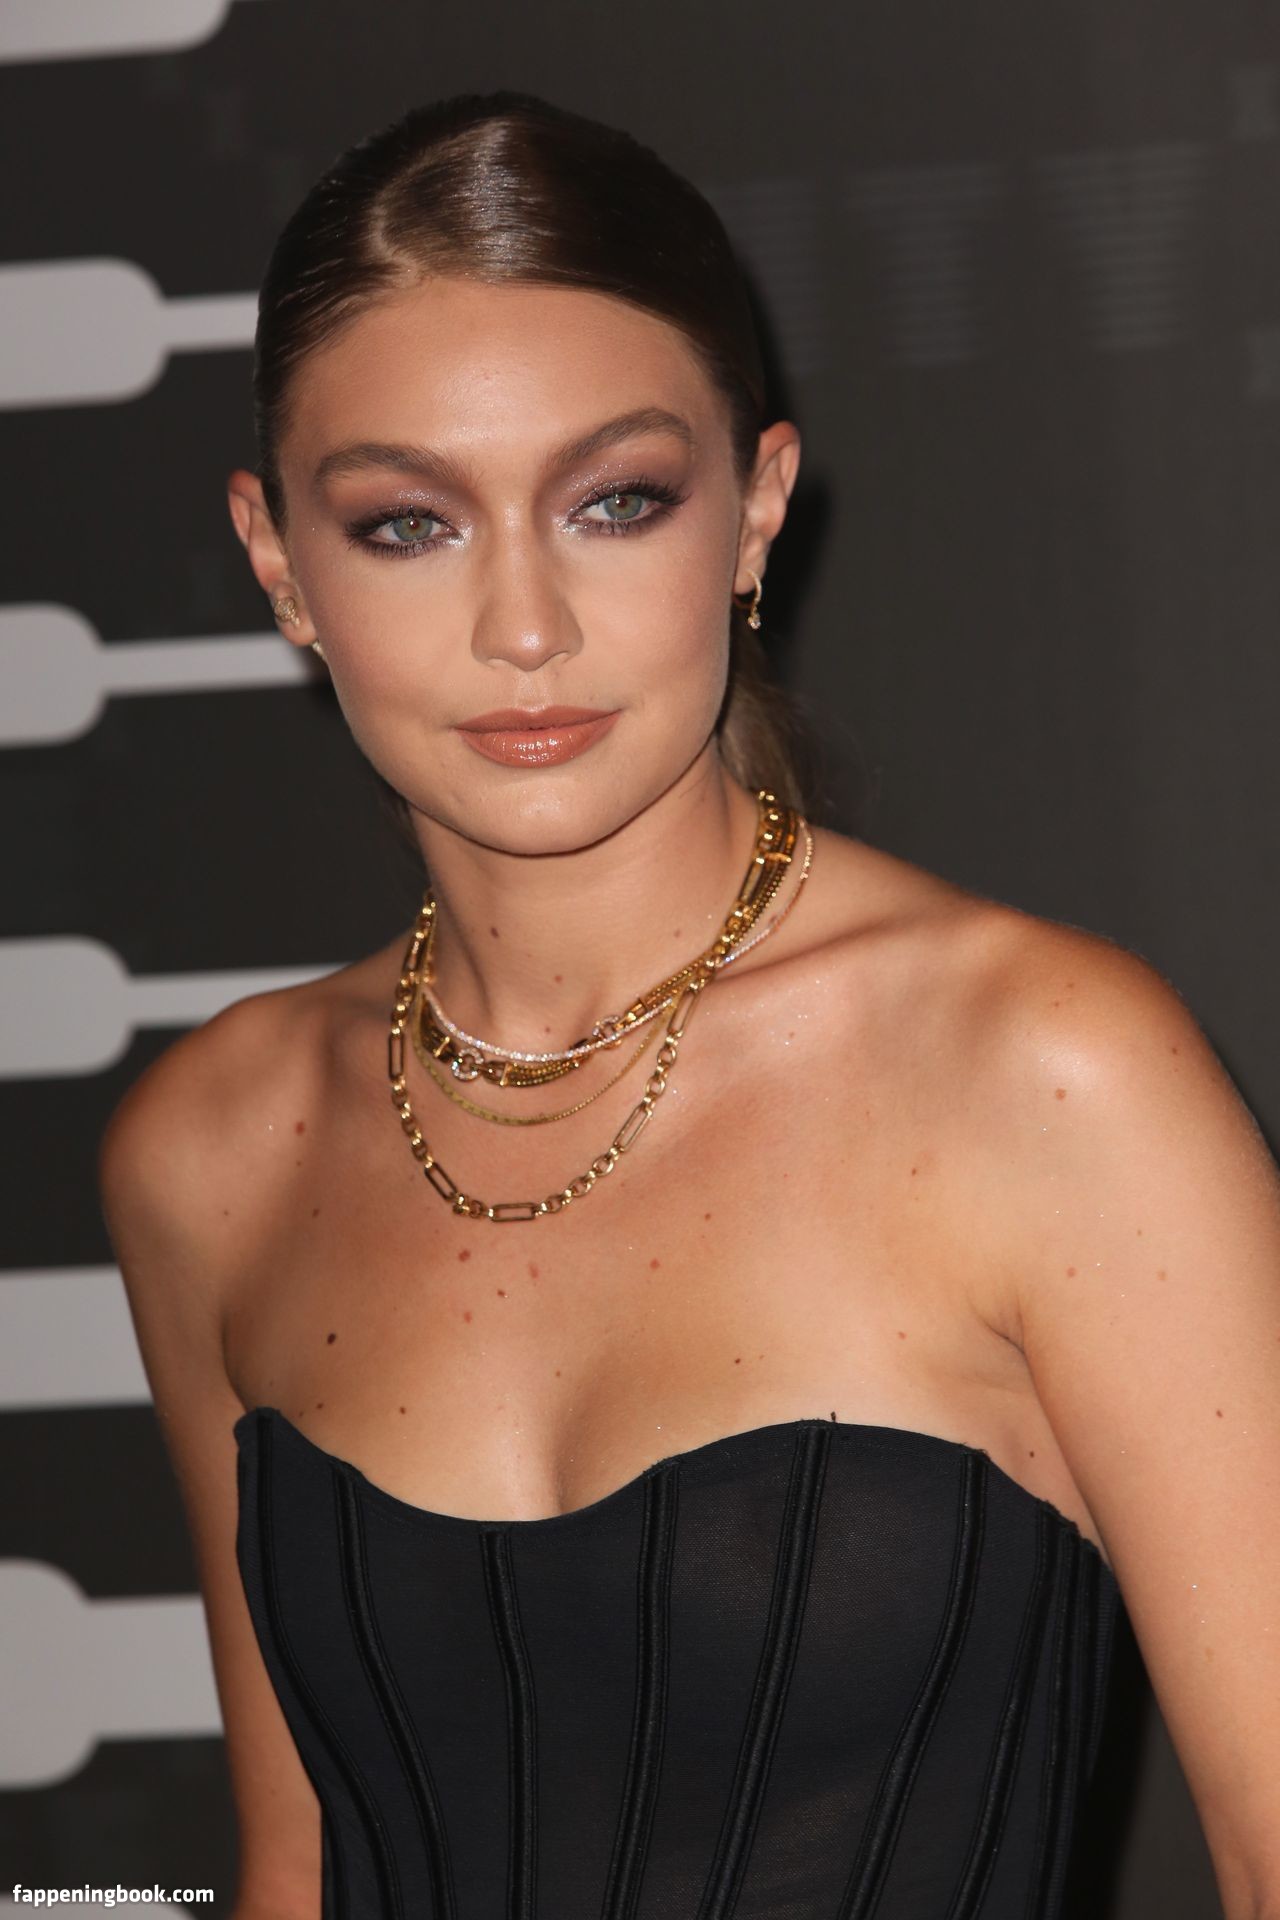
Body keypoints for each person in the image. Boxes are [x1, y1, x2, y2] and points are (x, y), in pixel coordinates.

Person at [96, 90, 1280, 1920]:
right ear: (278, 567)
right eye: (407, 523)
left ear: (755, 512)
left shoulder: (1042, 1076)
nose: (524, 626)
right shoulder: (214, 1149)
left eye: (616, 502)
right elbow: (297, 1865)